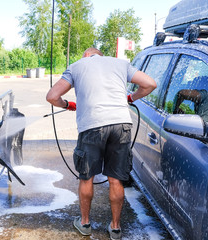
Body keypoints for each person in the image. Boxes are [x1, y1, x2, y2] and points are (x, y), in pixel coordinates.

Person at [46, 47, 156, 239]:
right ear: (100, 56)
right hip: (121, 124)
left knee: (86, 177)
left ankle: (85, 223)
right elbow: (150, 84)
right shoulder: (121, 64)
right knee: (116, 179)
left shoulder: (76, 66)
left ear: (86, 55)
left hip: (91, 126)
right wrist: (130, 98)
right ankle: (115, 228)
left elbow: (52, 97)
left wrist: (67, 105)